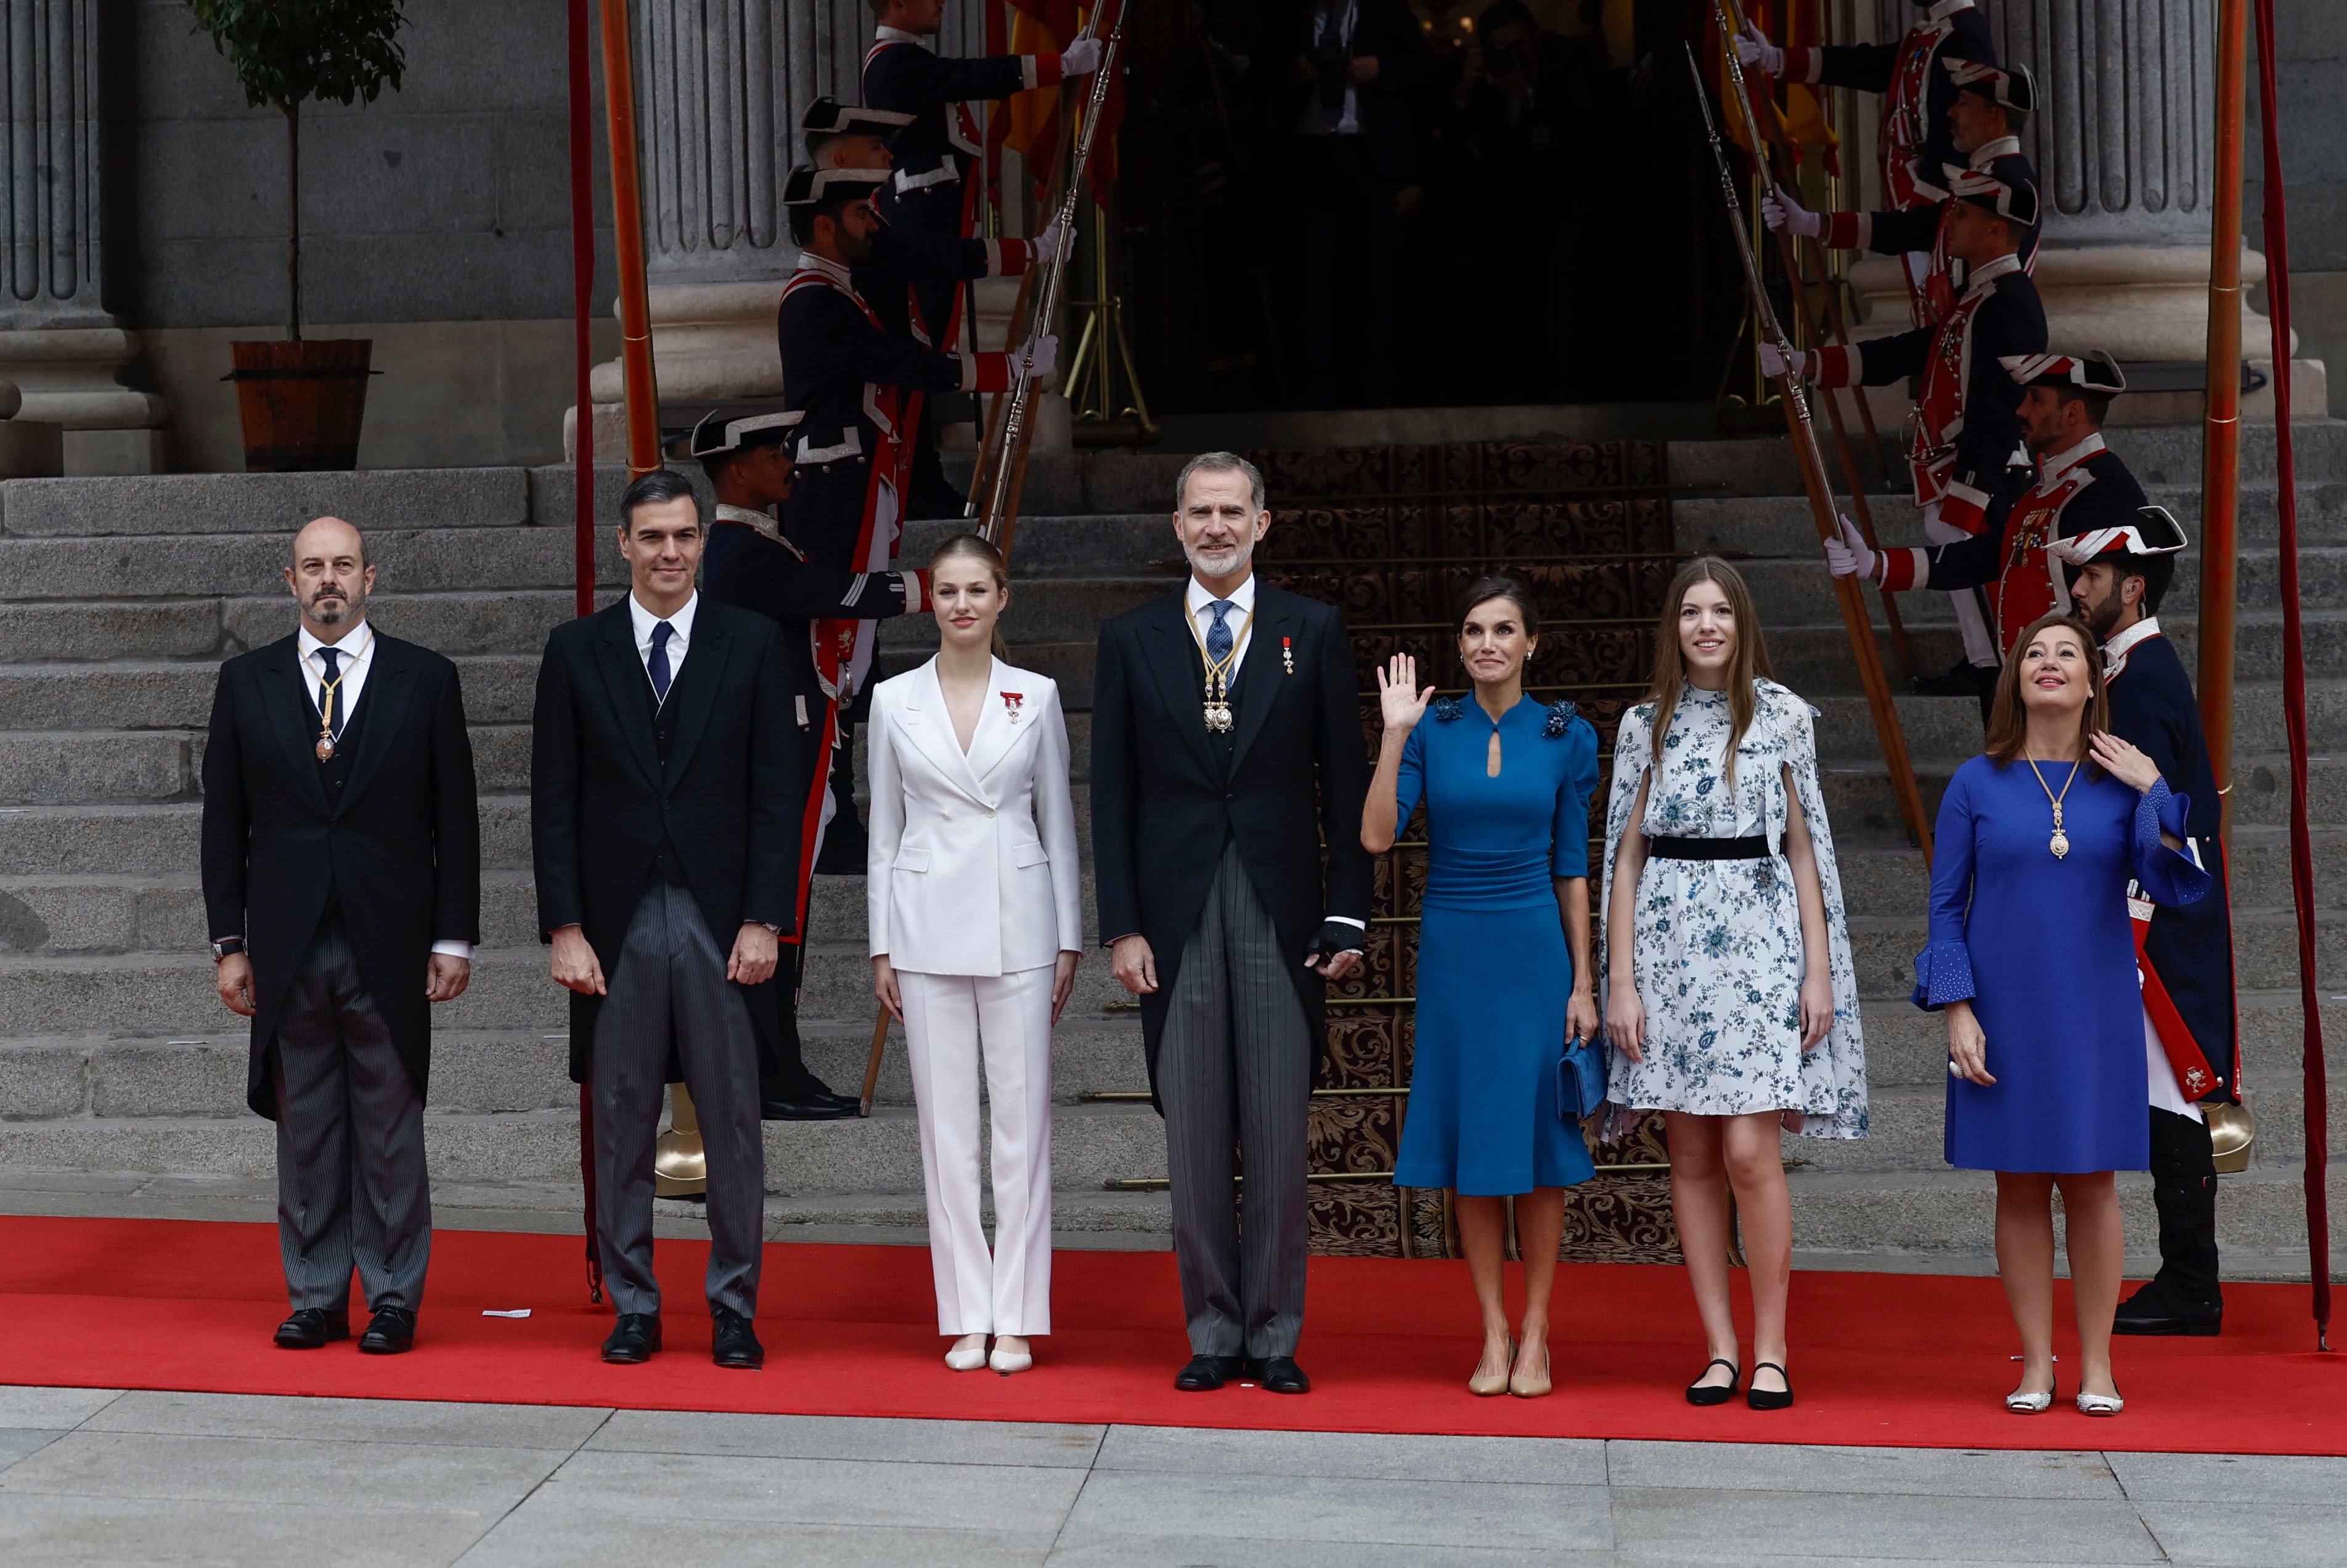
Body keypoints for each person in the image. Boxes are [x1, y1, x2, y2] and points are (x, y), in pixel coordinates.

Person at [1092, 451, 1373, 1395]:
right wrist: (1120, 924)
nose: (1216, 526)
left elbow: (1345, 777)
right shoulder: (1130, 639)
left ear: (1264, 523)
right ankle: (1214, 1331)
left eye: (1233, 511)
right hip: (1173, 920)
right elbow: (1115, 798)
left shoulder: (1314, 630)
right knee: (1195, 1138)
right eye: (1200, 512)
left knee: (1280, 1139)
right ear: (1177, 526)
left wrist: (1346, 914)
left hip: (1283, 913)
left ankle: (1276, 1333)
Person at [530, 470, 801, 1369]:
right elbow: (554, 803)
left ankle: (734, 1307)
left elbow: (778, 794)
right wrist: (563, 926)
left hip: (724, 919)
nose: (670, 553)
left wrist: (767, 918)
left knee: (731, 1122)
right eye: (652, 537)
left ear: (704, 541)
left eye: (685, 535)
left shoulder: (753, 642)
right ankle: (636, 1305)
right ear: (623, 544)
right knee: (620, 1119)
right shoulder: (576, 651)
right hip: (613, 926)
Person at [201, 516, 480, 1355]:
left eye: (344, 566)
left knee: (392, 1126)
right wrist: (229, 942)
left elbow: (456, 823)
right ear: (290, 581)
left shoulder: (425, 680)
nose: (330, 579)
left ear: (370, 578)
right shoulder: (245, 683)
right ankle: (317, 1293)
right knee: (308, 1126)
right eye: (314, 566)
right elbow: (225, 824)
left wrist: (454, 939)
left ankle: (393, 1295)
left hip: (390, 941)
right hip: (287, 943)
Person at [1920, 613, 2210, 1415]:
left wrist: (2157, 788)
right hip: (2002, 1011)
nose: (2049, 663)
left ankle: (2099, 1368)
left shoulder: (2121, 782)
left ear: (2091, 682)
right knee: (2017, 1186)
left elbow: (2175, 880)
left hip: (2096, 1006)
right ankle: (2037, 1366)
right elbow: (1946, 910)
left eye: (2067, 655)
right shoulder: (1977, 782)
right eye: (2034, 654)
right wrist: (1957, 1009)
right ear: (2015, 678)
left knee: (2090, 1185)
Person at [1599, 557, 1864, 1413]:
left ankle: (1773, 1348)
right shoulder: (1646, 722)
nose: (1706, 625)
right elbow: (1624, 857)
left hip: (1759, 947)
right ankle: (1718, 1348)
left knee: (1751, 1151)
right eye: (1690, 612)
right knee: (1689, 1153)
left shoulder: (1782, 714)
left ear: (1742, 622)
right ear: (1673, 628)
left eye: (1720, 611)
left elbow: (1805, 848)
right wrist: (1621, 979)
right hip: (1669, 952)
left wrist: (1819, 971)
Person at [1360, 578, 1600, 1399]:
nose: (1487, 643)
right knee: (1471, 1146)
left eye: (1504, 630)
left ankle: (1537, 1329)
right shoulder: (1435, 727)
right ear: (1459, 645)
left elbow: (1573, 868)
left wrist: (1585, 984)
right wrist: (1395, 737)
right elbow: (1376, 836)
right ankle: (1492, 1330)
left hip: (1535, 951)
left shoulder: (1568, 734)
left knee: (1534, 1146)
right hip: (1455, 950)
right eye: (1472, 631)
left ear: (1533, 641)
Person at [777, 164, 1052, 875]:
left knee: (853, 653)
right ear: (826, 226)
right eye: (862, 215)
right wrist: (1007, 369)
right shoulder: (816, 301)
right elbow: (899, 363)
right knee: (835, 649)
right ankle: (831, 815)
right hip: (835, 489)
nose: (876, 223)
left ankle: (842, 811)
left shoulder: (839, 294)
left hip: (858, 480)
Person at [868, 534, 1083, 1376]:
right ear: (931, 598)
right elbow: (885, 829)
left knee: (1021, 1128)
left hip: (1020, 918)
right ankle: (965, 1309)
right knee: (946, 1132)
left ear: (1003, 599)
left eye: (977, 590)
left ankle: (1018, 1314)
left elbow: (1059, 822)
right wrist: (882, 944)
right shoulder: (893, 700)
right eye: (948, 591)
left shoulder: (1038, 695)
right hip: (924, 925)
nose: (962, 605)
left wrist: (1069, 934)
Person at [695, 407, 924, 1119]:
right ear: (737, 471)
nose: (790, 462)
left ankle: (778, 1063)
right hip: (775, 754)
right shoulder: (739, 552)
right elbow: (832, 593)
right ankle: (768, 1073)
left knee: (786, 910)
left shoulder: (763, 543)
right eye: (774, 455)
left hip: (795, 746)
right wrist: (939, 587)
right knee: (776, 910)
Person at [2052, 513, 2238, 1337]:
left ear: (2133, 586)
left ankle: (2194, 1284)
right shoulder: (2136, 670)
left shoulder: (2144, 678)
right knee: (2167, 1100)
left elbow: (2165, 825)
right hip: (2154, 920)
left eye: (2090, 577)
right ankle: (2190, 1279)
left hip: (2157, 927)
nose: (2075, 588)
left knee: (2176, 1097)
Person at [1765, 166, 2046, 701]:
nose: (1951, 221)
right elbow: (1910, 351)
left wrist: (1966, 502)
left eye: (1963, 213)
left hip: (1985, 493)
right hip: (1958, 487)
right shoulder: (1980, 295)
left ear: (1995, 230)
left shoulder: (2009, 303)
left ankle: (2014, 762)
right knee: (1986, 647)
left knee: (2004, 649)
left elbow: (1997, 411)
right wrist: (1808, 363)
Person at [862, 0, 1101, 518]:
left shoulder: (908, 59)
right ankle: (915, 488)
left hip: (939, 238)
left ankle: (918, 485)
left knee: (925, 365)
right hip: (923, 240)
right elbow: (972, 76)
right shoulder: (893, 63)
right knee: (920, 368)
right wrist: (1059, 65)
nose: (940, 3)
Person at [1822, 351, 2141, 719]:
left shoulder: (2105, 487)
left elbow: (2123, 601)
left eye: (2036, 399)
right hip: (2032, 685)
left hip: (2071, 697)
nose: (2021, 410)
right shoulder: (2046, 487)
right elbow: (1994, 554)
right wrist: (1879, 564)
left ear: (2072, 414)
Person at [1737, 0, 1998, 319]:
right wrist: (1777, 59)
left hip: (1938, 219)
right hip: (1921, 215)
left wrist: (1918, 220)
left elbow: (1953, 152)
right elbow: (1872, 65)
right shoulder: (1936, 33)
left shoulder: (1963, 37)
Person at [1763, 59, 2039, 320]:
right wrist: (1811, 223)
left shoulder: (2003, 182)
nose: (1951, 111)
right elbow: (1916, 228)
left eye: (1964, 103)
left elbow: (1916, 230)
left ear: (1994, 117)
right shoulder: (1993, 174)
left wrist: (1813, 223)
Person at [1280, 0, 1431, 406]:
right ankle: (1316, 384)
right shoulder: (1289, 18)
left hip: (1369, 154)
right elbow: (1257, 80)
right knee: (1312, 271)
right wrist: (1296, 74)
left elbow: (1424, 69)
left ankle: (1375, 382)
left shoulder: (1385, 14)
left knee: (1374, 269)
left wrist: (1380, 69)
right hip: (1309, 154)